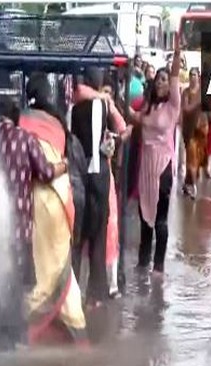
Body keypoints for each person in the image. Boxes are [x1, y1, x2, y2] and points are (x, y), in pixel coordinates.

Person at [0, 96, 67, 351]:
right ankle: (9, 339)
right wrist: (64, 165)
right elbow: (46, 173)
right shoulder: (24, 139)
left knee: (2, 280)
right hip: (19, 228)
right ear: (16, 118)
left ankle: (10, 336)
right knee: (18, 283)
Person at [18, 73, 87, 345]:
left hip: (30, 202)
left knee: (36, 268)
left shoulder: (20, 121)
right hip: (59, 200)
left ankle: (27, 332)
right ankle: (78, 332)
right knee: (60, 267)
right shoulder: (59, 125)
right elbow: (76, 172)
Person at [71, 68, 127, 307]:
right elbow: (120, 129)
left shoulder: (74, 109)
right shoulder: (102, 106)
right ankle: (96, 294)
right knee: (98, 235)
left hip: (79, 176)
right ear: (99, 83)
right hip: (99, 175)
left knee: (77, 235)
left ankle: (71, 292)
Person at [129, 34, 182, 279]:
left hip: (163, 168)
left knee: (160, 219)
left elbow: (173, 78)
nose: (162, 83)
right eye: (158, 79)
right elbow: (132, 115)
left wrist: (178, 53)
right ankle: (142, 262)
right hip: (146, 168)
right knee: (144, 215)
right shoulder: (148, 108)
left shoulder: (172, 106)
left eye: (164, 80)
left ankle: (158, 267)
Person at [181, 68, 208, 199]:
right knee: (191, 156)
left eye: (195, 75)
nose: (193, 77)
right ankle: (193, 185)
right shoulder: (186, 92)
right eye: (191, 75)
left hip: (202, 129)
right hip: (189, 130)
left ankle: (188, 183)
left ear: (199, 77)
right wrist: (197, 103)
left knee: (198, 157)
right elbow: (185, 109)